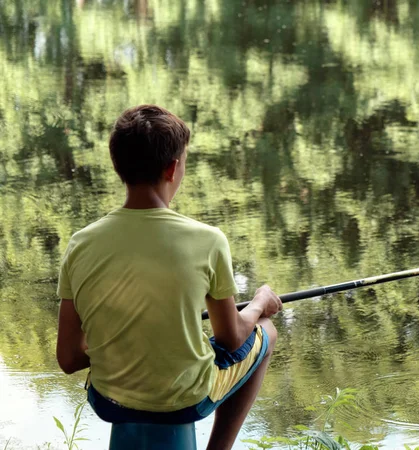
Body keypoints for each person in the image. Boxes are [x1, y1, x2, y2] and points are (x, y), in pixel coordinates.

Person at [56, 104, 282, 450]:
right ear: (173, 168)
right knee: (265, 331)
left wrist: (118, 339)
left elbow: (69, 358)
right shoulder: (208, 240)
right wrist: (259, 304)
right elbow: (233, 338)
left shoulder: (80, 244)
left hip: (107, 400)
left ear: (119, 166)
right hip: (184, 401)